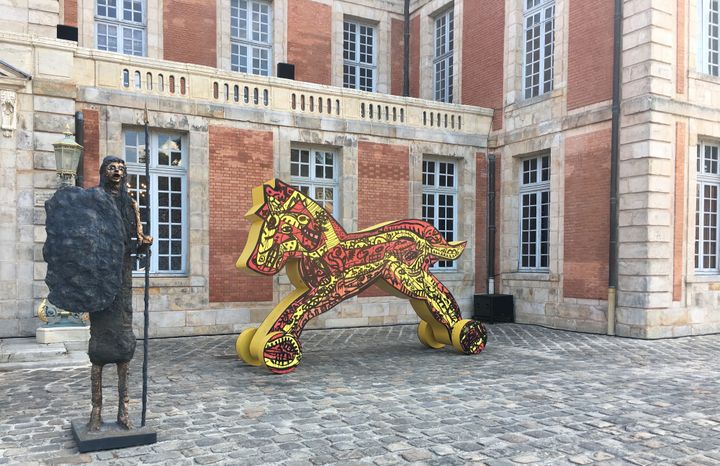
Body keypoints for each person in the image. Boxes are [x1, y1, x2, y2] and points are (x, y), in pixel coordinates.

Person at [87, 156, 152, 431]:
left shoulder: (130, 204)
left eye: (122, 169)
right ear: (104, 172)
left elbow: (137, 239)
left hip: (122, 277)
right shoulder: (94, 200)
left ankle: (123, 410)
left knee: (124, 344)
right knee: (99, 348)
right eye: (112, 168)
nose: (117, 172)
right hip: (101, 276)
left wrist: (144, 243)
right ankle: (96, 409)